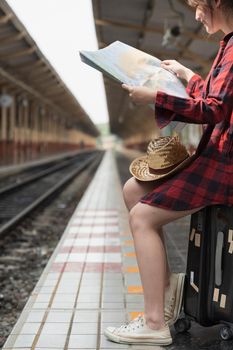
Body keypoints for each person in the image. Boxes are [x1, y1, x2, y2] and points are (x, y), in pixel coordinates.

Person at [104, 0, 233, 346]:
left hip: (225, 164)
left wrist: (155, 96)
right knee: (134, 191)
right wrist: (187, 75)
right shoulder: (228, 44)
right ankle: (165, 292)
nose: (196, 15)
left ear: (216, 2)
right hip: (216, 155)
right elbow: (213, 95)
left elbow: (214, 109)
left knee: (142, 219)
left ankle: (154, 322)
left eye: (198, 7)